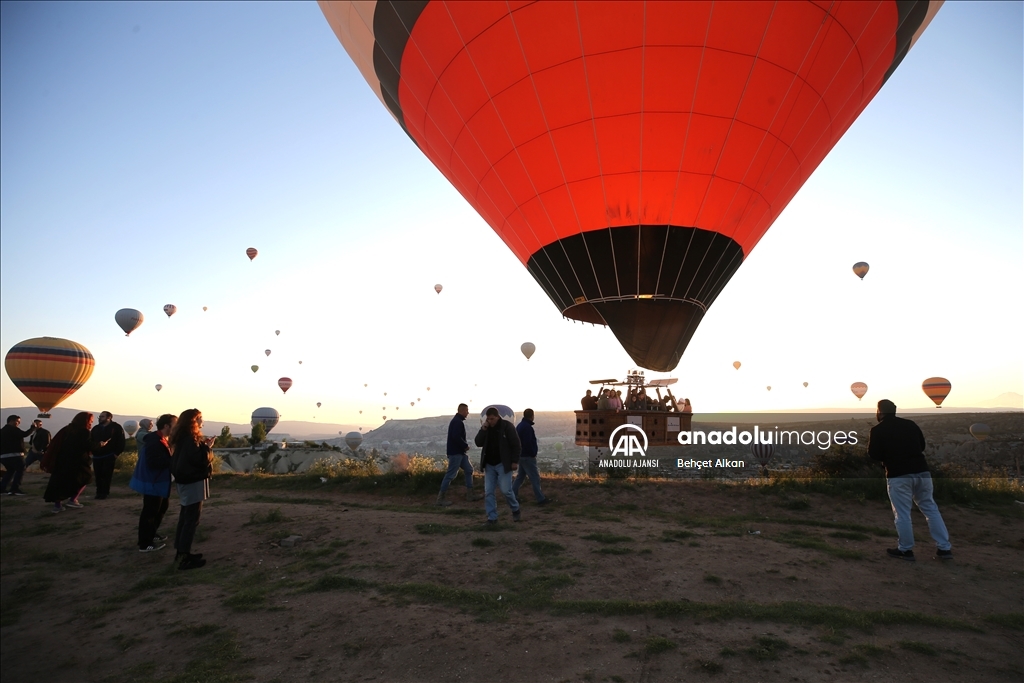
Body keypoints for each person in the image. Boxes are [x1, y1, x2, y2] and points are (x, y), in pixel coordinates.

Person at [868, 399, 952, 561]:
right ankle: (944, 548)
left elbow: (873, 454)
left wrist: (888, 456)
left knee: (902, 513)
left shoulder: (878, 430)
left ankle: (906, 549)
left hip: (898, 475)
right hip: (922, 471)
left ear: (880, 411)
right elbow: (921, 446)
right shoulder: (910, 424)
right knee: (930, 509)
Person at [170, 409, 215, 570]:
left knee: (185, 517)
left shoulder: (182, 438)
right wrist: (208, 448)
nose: (202, 420)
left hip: (185, 481)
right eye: (199, 418)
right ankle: (184, 557)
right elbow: (199, 460)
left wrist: (203, 445)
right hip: (192, 482)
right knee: (191, 519)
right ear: (193, 421)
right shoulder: (190, 439)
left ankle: (181, 553)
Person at [130, 414, 176, 552]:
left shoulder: (161, 439)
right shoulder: (155, 441)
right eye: (175, 424)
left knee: (162, 507)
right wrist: (173, 460)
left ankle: (151, 533)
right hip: (153, 482)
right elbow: (153, 462)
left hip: (159, 481)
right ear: (166, 426)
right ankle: (145, 544)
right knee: (150, 511)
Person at [474, 407, 521, 524]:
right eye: (488, 419)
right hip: (489, 464)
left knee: (506, 490)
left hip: (503, 464)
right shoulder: (486, 428)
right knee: (489, 492)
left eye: (492, 419)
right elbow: (478, 442)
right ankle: (492, 517)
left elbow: (516, 444)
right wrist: (483, 429)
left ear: (497, 416)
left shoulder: (507, 427)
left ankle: (515, 508)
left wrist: (514, 461)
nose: (490, 421)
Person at [43, 412, 94, 512]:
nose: (92, 422)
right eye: (91, 420)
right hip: (78, 461)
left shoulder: (66, 429)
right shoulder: (84, 432)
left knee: (60, 482)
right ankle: (73, 500)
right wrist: (100, 445)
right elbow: (88, 445)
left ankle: (57, 505)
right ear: (86, 420)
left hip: (62, 459)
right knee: (85, 478)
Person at [436, 403, 478, 506]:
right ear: (462, 411)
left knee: (469, 469)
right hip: (456, 453)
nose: (468, 413)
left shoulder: (457, 421)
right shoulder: (457, 422)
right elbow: (456, 436)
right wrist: (465, 445)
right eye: (466, 410)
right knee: (450, 474)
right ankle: (440, 499)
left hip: (459, 453)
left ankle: (470, 495)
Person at [512, 408, 549, 505]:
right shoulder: (527, 427)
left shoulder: (520, 426)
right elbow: (528, 443)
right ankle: (540, 499)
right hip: (527, 456)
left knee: (520, 477)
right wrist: (532, 453)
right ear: (532, 416)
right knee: (535, 478)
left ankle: (512, 496)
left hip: (521, 456)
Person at [90, 411, 126, 499]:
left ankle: (105, 493)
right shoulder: (96, 428)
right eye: (99, 416)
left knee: (106, 475)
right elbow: (91, 441)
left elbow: (121, 441)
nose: (100, 418)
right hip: (97, 456)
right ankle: (98, 492)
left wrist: (116, 453)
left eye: (102, 416)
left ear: (109, 418)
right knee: (98, 475)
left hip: (109, 455)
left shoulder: (116, 427)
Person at [1, 415, 36, 495]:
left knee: (10, 471)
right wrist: (32, 428)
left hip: (3, 456)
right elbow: (24, 434)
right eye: (18, 421)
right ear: (11, 421)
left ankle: (2, 488)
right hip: (14, 455)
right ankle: (14, 489)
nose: (19, 423)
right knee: (20, 469)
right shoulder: (13, 429)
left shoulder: (2, 430)